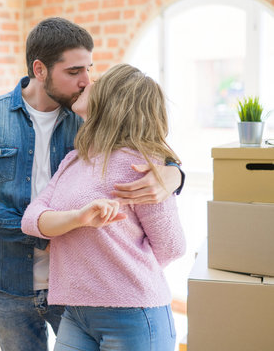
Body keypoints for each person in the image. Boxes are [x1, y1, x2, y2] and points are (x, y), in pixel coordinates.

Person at [0, 17, 184, 351]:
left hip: (79, 286)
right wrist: (46, 233)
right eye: (74, 72)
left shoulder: (86, 120)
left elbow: (139, 144)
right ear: (40, 69)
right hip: (8, 279)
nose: (86, 81)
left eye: (89, 69)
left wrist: (175, 172)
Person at [21, 63, 186, 351]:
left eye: (96, 80)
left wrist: (120, 269)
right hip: (76, 310)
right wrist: (78, 219)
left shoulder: (142, 165)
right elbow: (31, 218)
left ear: (112, 99)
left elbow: (172, 247)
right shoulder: (73, 161)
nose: (86, 83)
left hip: (134, 312)